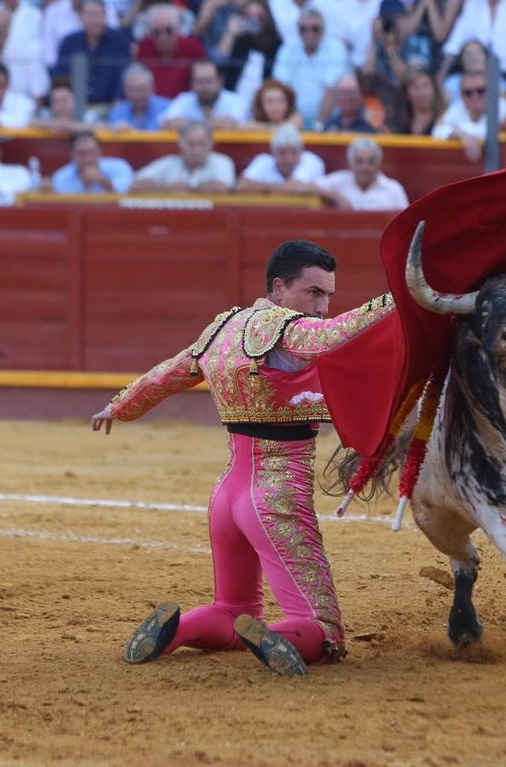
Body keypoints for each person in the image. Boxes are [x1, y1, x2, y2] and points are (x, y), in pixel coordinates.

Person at [92, 239, 397, 676]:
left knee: (233, 609)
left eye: (328, 295)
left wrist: (119, 407)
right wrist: (399, 299)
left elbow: (169, 374)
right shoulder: (287, 329)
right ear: (278, 287)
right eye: (313, 292)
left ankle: (177, 632)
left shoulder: (223, 328)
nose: (323, 306)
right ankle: (283, 635)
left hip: (227, 498)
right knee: (323, 629)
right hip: (275, 498)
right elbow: (335, 335)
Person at [438, 0, 506, 105]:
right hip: (477, 69)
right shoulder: (473, 3)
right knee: (453, 86)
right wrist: (440, 77)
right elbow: (454, 44)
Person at [270, 7, 349, 130]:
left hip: (329, 121)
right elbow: (280, 87)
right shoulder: (288, 48)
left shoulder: (336, 48)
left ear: (323, 31)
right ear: (298, 31)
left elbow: (330, 91)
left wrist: (318, 127)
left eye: (315, 29)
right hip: (293, 118)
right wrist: (292, 120)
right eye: (303, 29)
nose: (309, 33)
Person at [50, 0, 133, 111]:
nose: (95, 20)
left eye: (99, 14)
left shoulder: (120, 41)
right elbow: (61, 78)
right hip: (73, 108)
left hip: (109, 105)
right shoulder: (69, 42)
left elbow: (123, 76)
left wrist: (117, 106)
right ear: (80, 17)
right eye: (90, 15)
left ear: (106, 16)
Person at [129, 121, 236, 193]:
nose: (197, 150)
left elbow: (221, 188)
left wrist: (188, 189)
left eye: (202, 144)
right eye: (191, 144)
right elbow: (135, 185)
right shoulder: (169, 163)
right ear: (180, 145)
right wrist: (166, 189)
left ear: (211, 145)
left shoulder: (222, 161)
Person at [432, 69, 506, 162]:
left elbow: (489, 132)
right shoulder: (457, 108)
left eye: (480, 91)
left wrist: (463, 134)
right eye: (468, 93)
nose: (475, 96)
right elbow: (437, 131)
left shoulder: (501, 105)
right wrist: (462, 135)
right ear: (462, 96)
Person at [312, 136, 408, 210]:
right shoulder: (340, 181)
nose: (365, 167)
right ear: (351, 164)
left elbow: (407, 224)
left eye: (371, 161)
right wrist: (336, 196)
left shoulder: (394, 189)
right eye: (359, 161)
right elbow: (302, 186)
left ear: (379, 164)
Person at [134, 3, 207, 99]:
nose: (163, 36)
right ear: (150, 33)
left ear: (178, 30)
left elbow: (202, 81)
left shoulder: (193, 47)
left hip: (183, 108)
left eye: (169, 31)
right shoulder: (145, 47)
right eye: (157, 32)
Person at [159, 58, 248, 130]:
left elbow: (233, 124)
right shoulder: (184, 99)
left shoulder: (236, 101)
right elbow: (167, 124)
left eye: (209, 81)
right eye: (199, 82)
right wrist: (214, 124)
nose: (204, 87)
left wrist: (188, 124)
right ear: (192, 84)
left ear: (220, 81)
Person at [236, 122, 324, 195]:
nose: (288, 159)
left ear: (301, 152)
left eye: (293, 153)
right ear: (273, 153)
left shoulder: (312, 161)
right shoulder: (263, 161)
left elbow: (291, 189)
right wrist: (270, 187)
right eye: (282, 153)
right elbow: (241, 186)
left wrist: (263, 188)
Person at [50, 131, 134, 194]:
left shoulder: (120, 167)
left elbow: (125, 198)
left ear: (100, 152)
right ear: (72, 155)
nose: (88, 158)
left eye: (92, 152)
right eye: (82, 153)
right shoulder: (61, 177)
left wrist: (104, 182)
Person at [105, 62, 171, 130]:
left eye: (141, 89)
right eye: (131, 90)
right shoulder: (117, 113)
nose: (136, 95)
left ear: (152, 88)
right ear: (124, 90)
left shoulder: (167, 109)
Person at [390, 67, 446, 136]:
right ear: (406, 92)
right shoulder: (398, 119)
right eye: (415, 86)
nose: (421, 92)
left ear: (434, 89)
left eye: (425, 86)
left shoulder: (446, 117)